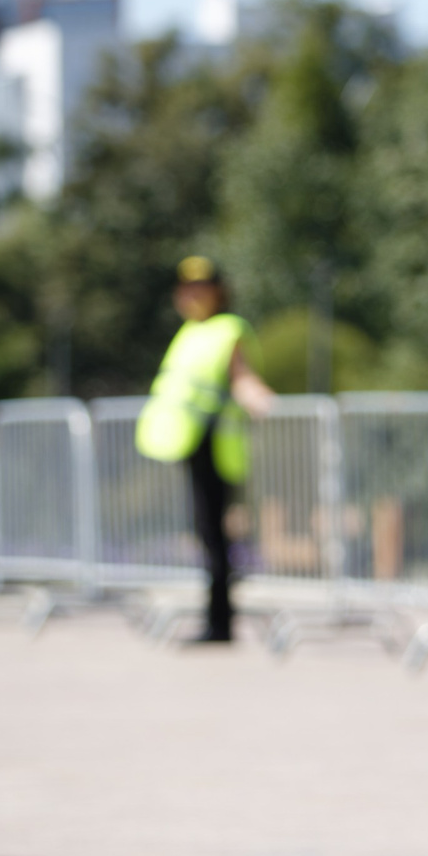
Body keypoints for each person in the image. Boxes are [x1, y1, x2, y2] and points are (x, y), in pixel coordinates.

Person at [135, 256, 276, 644]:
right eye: (187, 289)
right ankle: (215, 619)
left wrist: (266, 402)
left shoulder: (228, 329)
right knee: (206, 535)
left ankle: (220, 624)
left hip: (218, 448)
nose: (193, 296)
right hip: (190, 446)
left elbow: (243, 378)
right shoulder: (189, 332)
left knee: (215, 538)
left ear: (219, 292)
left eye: (201, 288)